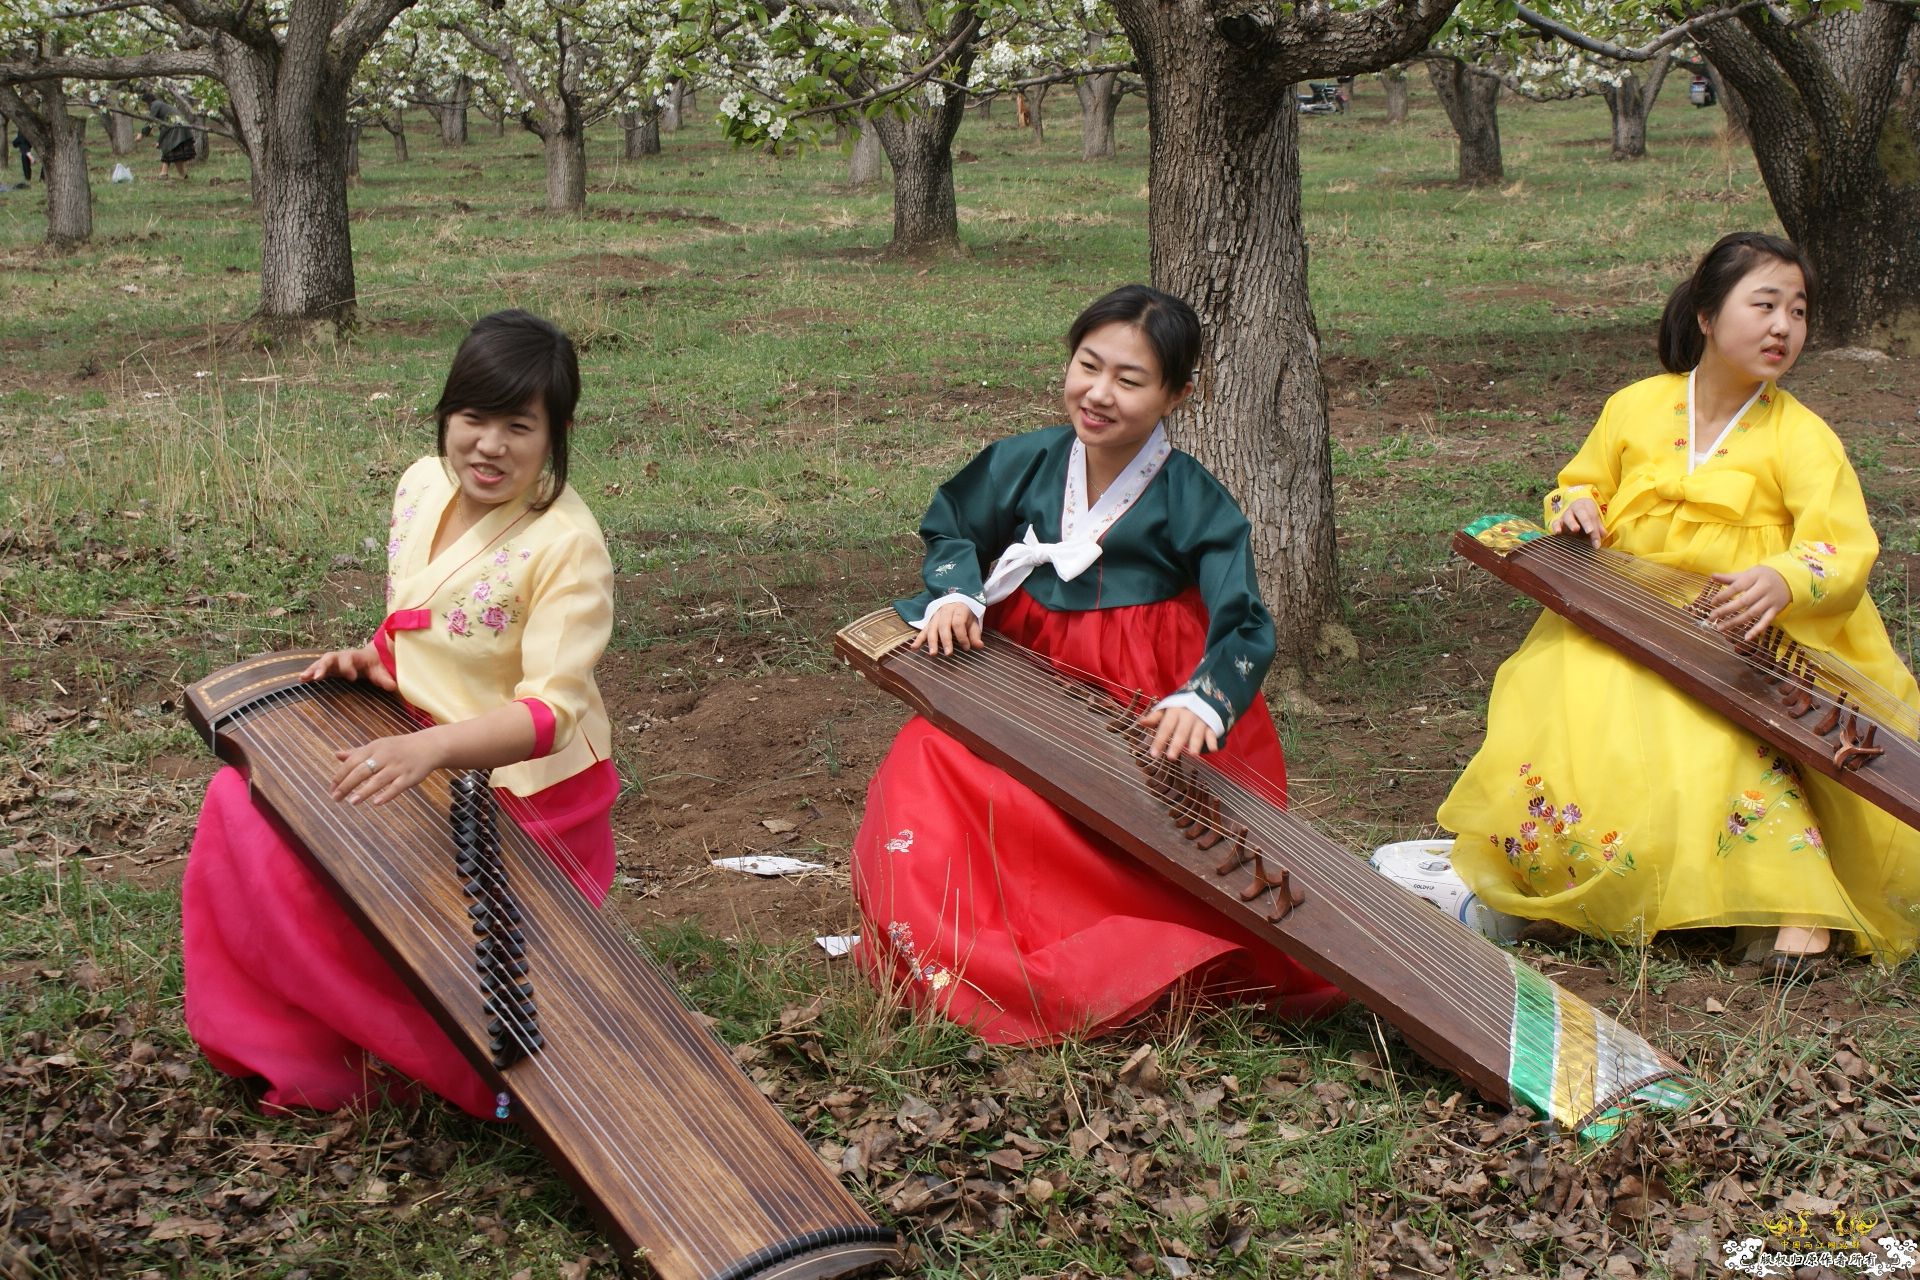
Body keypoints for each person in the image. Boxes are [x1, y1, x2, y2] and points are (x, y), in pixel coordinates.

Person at [851, 284, 1345, 1042]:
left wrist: (1202, 701)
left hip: (1139, 690)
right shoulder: (1024, 462)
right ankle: (964, 959)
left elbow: (1243, 620)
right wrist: (957, 595)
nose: (1100, 393)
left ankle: (1109, 965)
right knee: (932, 766)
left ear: (1179, 393)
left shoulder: (1192, 498)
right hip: (1022, 674)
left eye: (1131, 379)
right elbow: (954, 528)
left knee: (1145, 838)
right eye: (1089, 366)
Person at [1437, 232, 1920, 979]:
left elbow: (1843, 548)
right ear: (1705, 314)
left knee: (1725, 729)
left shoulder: (1802, 436)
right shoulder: (1635, 407)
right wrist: (1576, 509)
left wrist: (1786, 577)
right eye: (1763, 305)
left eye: (1797, 311)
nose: (1783, 327)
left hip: (1746, 630)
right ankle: (1573, 885)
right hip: (1631, 610)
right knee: (1573, 701)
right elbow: (1581, 480)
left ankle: (1800, 905)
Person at [182, 310, 619, 1115]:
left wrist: (435, 752)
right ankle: (286, 1036)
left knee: (331, 875)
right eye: (472, 418)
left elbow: (551, 713)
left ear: (555, 434)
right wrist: (375, 662)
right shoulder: (422, 486)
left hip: (520, 791)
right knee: (244, 806)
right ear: (445, 417)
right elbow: (431, 624)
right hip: (412, 739)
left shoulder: (568, 543)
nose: (489, 445)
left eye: (518, 426)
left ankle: (413, 1061)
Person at [150, 100, 194, 179]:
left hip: (176, 128)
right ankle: (180, 174)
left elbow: (162, 128)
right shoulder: (165, 107)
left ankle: (164, 173)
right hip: (181, 126)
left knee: (172, 151)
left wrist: (159, 142)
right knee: (174, 152)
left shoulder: (156, 105)